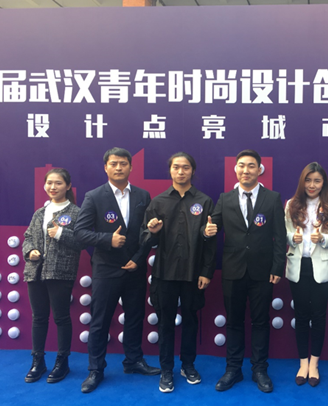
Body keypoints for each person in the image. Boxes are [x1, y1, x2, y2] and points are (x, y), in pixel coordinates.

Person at [74, 147, 160, 393]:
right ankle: (95, 369)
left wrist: (139, 259)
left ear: (131, 167)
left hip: (135, 268)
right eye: (114, 164)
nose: (119, 167)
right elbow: (80, 233)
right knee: (100, 321)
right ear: (106, 167)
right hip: (106, 269)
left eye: (123, 163)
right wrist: (106, 239)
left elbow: (148, 233)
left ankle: (133, 361)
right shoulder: (94, 196)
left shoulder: (143, 195)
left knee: (135, 317)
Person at [203, 149, 286, 393]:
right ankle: (233, 369)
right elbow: (213, 226)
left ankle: (260, 369)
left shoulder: (272, 198)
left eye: (251, 166)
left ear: (259, 170)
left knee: (260, 321)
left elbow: (280, 236)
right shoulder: (225, 198)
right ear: (235, 169)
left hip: (263, 271)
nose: (245, 170)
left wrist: (277, 266)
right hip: (233, 270)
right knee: (234, 322)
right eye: (241, 165)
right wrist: (207, 231)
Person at [142, 152, 216, 393]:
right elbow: (145, 239)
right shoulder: (158, 201)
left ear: (192, 171)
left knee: (191, 321)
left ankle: (188, 365)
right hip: (165, 273)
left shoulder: (204, 201)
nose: (181, 171)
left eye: (185, 167)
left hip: (194, 273)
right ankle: (166, 369)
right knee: (165, 323)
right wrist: (152, 232)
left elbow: (210, 241)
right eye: (176, 167)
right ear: (170, 171)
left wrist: (206, 271)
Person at [22, 168, 84, 384]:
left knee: (61, 317)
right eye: (49, 183)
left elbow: (82, 241)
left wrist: (60, 233)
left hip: (61, 272)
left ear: (68, 186)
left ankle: (62, 361)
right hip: (35, 271)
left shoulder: (76, 212)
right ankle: (37, 361)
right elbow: (28, 237)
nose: (53, 187)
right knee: (38, 317)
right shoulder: (40, 212)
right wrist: (30, 251)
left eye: (58, 183)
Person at [285, 162, 328, 387]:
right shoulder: (291, 204)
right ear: (302, 181)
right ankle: (303, 363)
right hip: (298, 266)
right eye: (308, 180)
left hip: (321, 266)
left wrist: (323, 239)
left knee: (318, 316)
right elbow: (285, 232)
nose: (312, 185)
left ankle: (314, 363)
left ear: (323, 183)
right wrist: (292, 238)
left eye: (317, 181)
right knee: (300, 316)